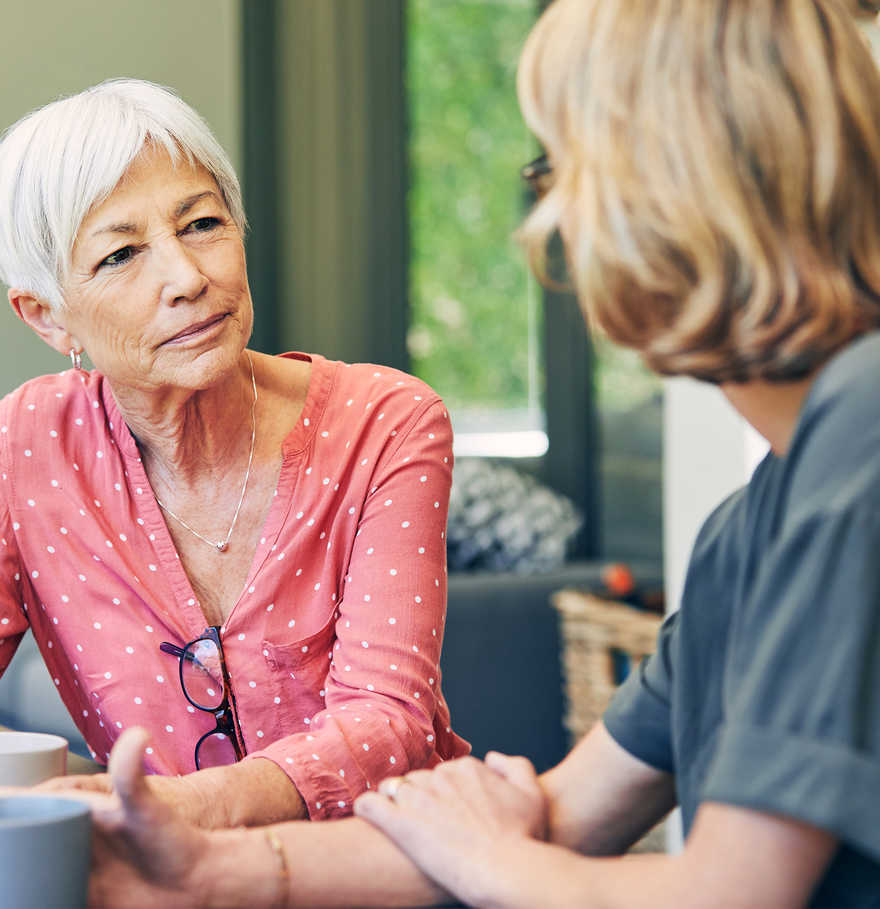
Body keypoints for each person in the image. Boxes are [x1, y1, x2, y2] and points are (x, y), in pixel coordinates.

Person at [50, 1, 880, 906]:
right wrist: (203, 869)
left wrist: (489, 854)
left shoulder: (861, 426)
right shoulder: (756, 522)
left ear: (683, 183)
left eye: (562, 170)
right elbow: (567, 811)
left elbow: (728, 895)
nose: (551, 221)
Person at [0, 78, 468, 868]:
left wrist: (177, 807)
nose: (188, 276)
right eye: (121, 254)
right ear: (47, 316)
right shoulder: (26, 447)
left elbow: (389, 721)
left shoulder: (386, 421)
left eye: (204, 223)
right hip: (165, 887)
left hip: (391, 871)